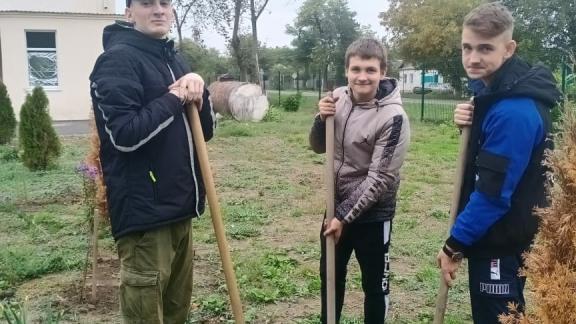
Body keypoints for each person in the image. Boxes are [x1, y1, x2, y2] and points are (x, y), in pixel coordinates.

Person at [89, 0, 216, 322]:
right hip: (146, 216)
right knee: (147, 315)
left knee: (177, 313)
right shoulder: (117, 61)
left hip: (180, 208)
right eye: (147, 3)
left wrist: (200, 99)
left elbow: (205, 133)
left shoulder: (174, 59)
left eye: (165, 3)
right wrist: (175, 98)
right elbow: (124, 135)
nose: (158, 10)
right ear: (129, 13)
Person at [436, 3, 562, 323]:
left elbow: (492, 195)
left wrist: (453, 246)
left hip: (500, 242)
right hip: (502, 235)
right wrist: (472, 120)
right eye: (467, 47)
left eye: (485, 48)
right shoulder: (498, 93)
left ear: (509, 49)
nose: (473, 58)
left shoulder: (513, 111)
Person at [309, 38, 410, 323]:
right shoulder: (338, 98)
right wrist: (321, 118)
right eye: (356, 69)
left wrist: (342, 217)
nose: (362, 76)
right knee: (330, 278)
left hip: (373, 215)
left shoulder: (393, 116)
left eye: (370, 69)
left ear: (383, 71)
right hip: (335, 206)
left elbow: (379, 180)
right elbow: (319, 146)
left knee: (375, 287)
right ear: (346, 70)